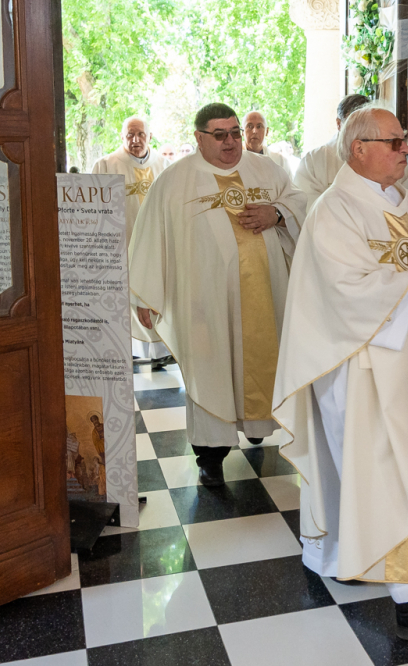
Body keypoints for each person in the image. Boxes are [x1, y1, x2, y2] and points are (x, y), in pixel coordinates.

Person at [274, 106, 408, 644]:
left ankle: (406, 574)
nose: (406, 149)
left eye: (404, 141)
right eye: (395, 141)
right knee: (383, 473)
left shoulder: (406, 203)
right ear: (358, 148)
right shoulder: (334, 210)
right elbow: (343, 288)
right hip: (362, 369)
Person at [130, 103, 307, 486]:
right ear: (199, 138)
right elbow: (150, 236)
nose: (230, 142)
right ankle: (210, 456)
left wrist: (276, 213)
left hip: (266, 296)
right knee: (210, 375)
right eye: (220, 135)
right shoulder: (175, 180)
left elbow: (298, 201)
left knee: (260, 362)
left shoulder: (267, 170)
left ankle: (257, 424)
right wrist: (146, 297)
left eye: (235, 133)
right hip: (203, 304)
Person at [91, 116, 172, 366]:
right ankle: (130, 350)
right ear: (122, 136)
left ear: (150, 136)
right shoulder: (106, 165)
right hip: (121, 247)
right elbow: (94, 211)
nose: (135, 140)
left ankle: (163, 350)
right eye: (130, 135)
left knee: (156, 292)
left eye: (140, 134)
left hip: (157, 246)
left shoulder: (166, 166)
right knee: (126, 300)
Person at [294, 94, 408, 212]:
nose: (405, 149)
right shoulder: (313, 161)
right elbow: (308, 209)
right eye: (353, 124)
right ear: (339, 124)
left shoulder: (394, 160)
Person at [243, 111, 294, 179]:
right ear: (242, 131)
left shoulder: (280, 162)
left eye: (259, 126)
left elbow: (290, 185)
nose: (254, 131)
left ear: (267, 131)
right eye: (249, 126)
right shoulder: (233, 161)